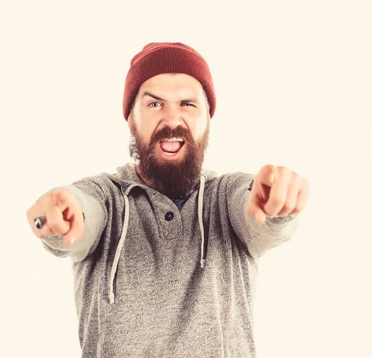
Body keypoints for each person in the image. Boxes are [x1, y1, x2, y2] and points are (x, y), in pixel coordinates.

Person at [25, 42, 309, 357]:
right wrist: (62, 214)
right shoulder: (105, 196)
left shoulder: (226, 197)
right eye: (155, 104)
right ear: (130, 119)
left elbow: (258, 215)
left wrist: (276, 204)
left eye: (188, 104)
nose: (172, 120)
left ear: (208, 120)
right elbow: (82, 212)